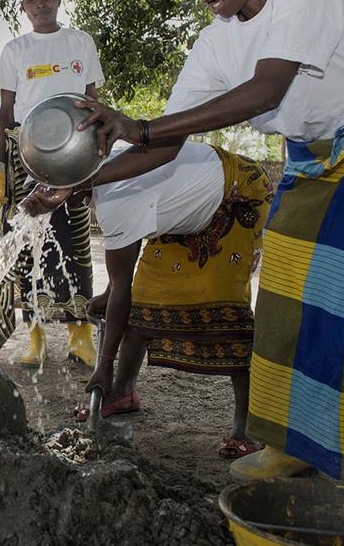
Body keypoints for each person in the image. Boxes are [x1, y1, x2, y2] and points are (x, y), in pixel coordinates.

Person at [26, 0, 344, 516]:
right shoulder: (215, 43)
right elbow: (163, 144)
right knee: (284, 311)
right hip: (316, 164)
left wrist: (143, 127)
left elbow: (265, 92)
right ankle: (288, 446)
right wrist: (80, 182)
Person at [61, 142, 273, 459]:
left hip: (235, 192)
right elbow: (123, 282)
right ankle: (122, 393)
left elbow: (122, 287)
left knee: (224, 308)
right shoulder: (104, 173)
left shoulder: (114, 199)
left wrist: (103, 364)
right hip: (186, 202)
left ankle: (248, 429)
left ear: (75, 185)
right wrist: (109, 294)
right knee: (146, 293)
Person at [0, 0, 104, 371]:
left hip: (75, 152)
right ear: (23, 6)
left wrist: (96, 157)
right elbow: (5, 112)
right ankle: (34, 337)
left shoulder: (80, 42)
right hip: (25, 155)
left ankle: (80, 337)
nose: (40, 4)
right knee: (26, 247)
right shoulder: (15, 50)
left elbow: (93, 100)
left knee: (75, 241)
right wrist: (0, 164)